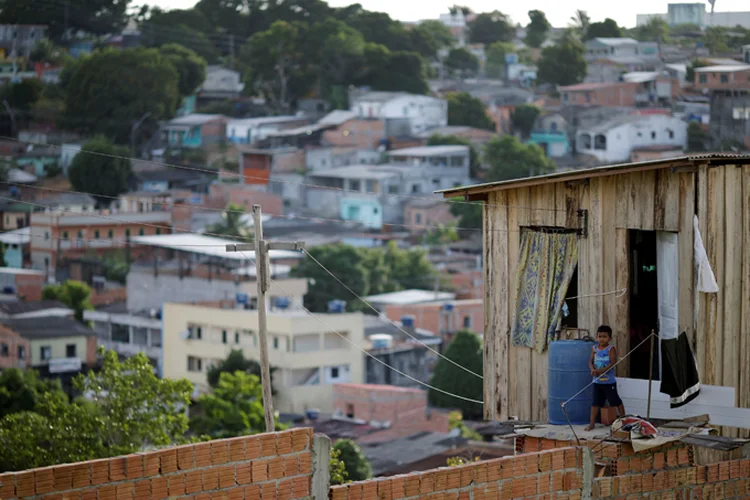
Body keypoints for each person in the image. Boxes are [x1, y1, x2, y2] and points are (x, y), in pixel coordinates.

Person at [585, 325, 625, 431]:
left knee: (615, 401)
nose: (602, 339)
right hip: (597, 382)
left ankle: (624, 420)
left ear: (610, 338)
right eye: (599, 336)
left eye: (604, 337)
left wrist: (600, 371)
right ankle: (592, 424)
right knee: (595, 403)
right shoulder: (594, 348)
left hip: (609, 382)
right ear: (596, 337)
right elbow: (590, 361)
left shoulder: (610, 349)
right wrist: (592, 369)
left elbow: (612, 363)